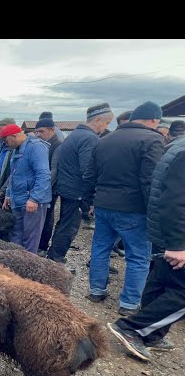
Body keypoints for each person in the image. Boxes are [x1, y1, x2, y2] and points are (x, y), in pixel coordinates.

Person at [107, 127, 185, 362]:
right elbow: (175, 200)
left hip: (166, 231)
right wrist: (178, 243)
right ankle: (133, 328)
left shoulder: (174, 148)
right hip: (176, 235)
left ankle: (152, 334)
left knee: (161, 281)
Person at [84, 101, 165, 315]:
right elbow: (150, 181)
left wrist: (91, 201)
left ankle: (96, 291)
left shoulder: (104, 140)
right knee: (138, 256)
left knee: (100, 249)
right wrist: (154, 211)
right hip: (134, 209)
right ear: (154, 119)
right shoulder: (152, 139)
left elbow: (90, 175)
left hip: (103, 205)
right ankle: (129, 303)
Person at [46, 104, 114, 265]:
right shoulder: (89, 138)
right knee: (69, 227)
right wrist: (90, 199)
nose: (105, 128)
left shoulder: (74, 135)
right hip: (77, 191)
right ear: (97, 120)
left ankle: (53, 255)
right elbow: (88, 170)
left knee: (64, 223)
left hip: (67, 187)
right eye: (106, 123)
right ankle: (56, 260)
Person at [2, 124, 51, 253]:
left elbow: (44, 174)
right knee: (15, 236)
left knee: (30, 239)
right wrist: (8, 194)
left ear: (14, 136)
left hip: (31, 201)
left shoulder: (36, 148)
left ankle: (28, 270)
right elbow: (14, 174)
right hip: (17, 199)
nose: (6, 144)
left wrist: (35, 198)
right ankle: (14, 270)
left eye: (6, 141)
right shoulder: (17, 149)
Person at [35, 117, 64, 256]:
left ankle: (42, 246)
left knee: (46, 217)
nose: (39, 134)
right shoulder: (42, 144)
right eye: (37, 132)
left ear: (52, 130)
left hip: (49, 189)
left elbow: (54, 170)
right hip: (41, 187)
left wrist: (42, 188)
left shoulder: (57, 145)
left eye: (42, 131)